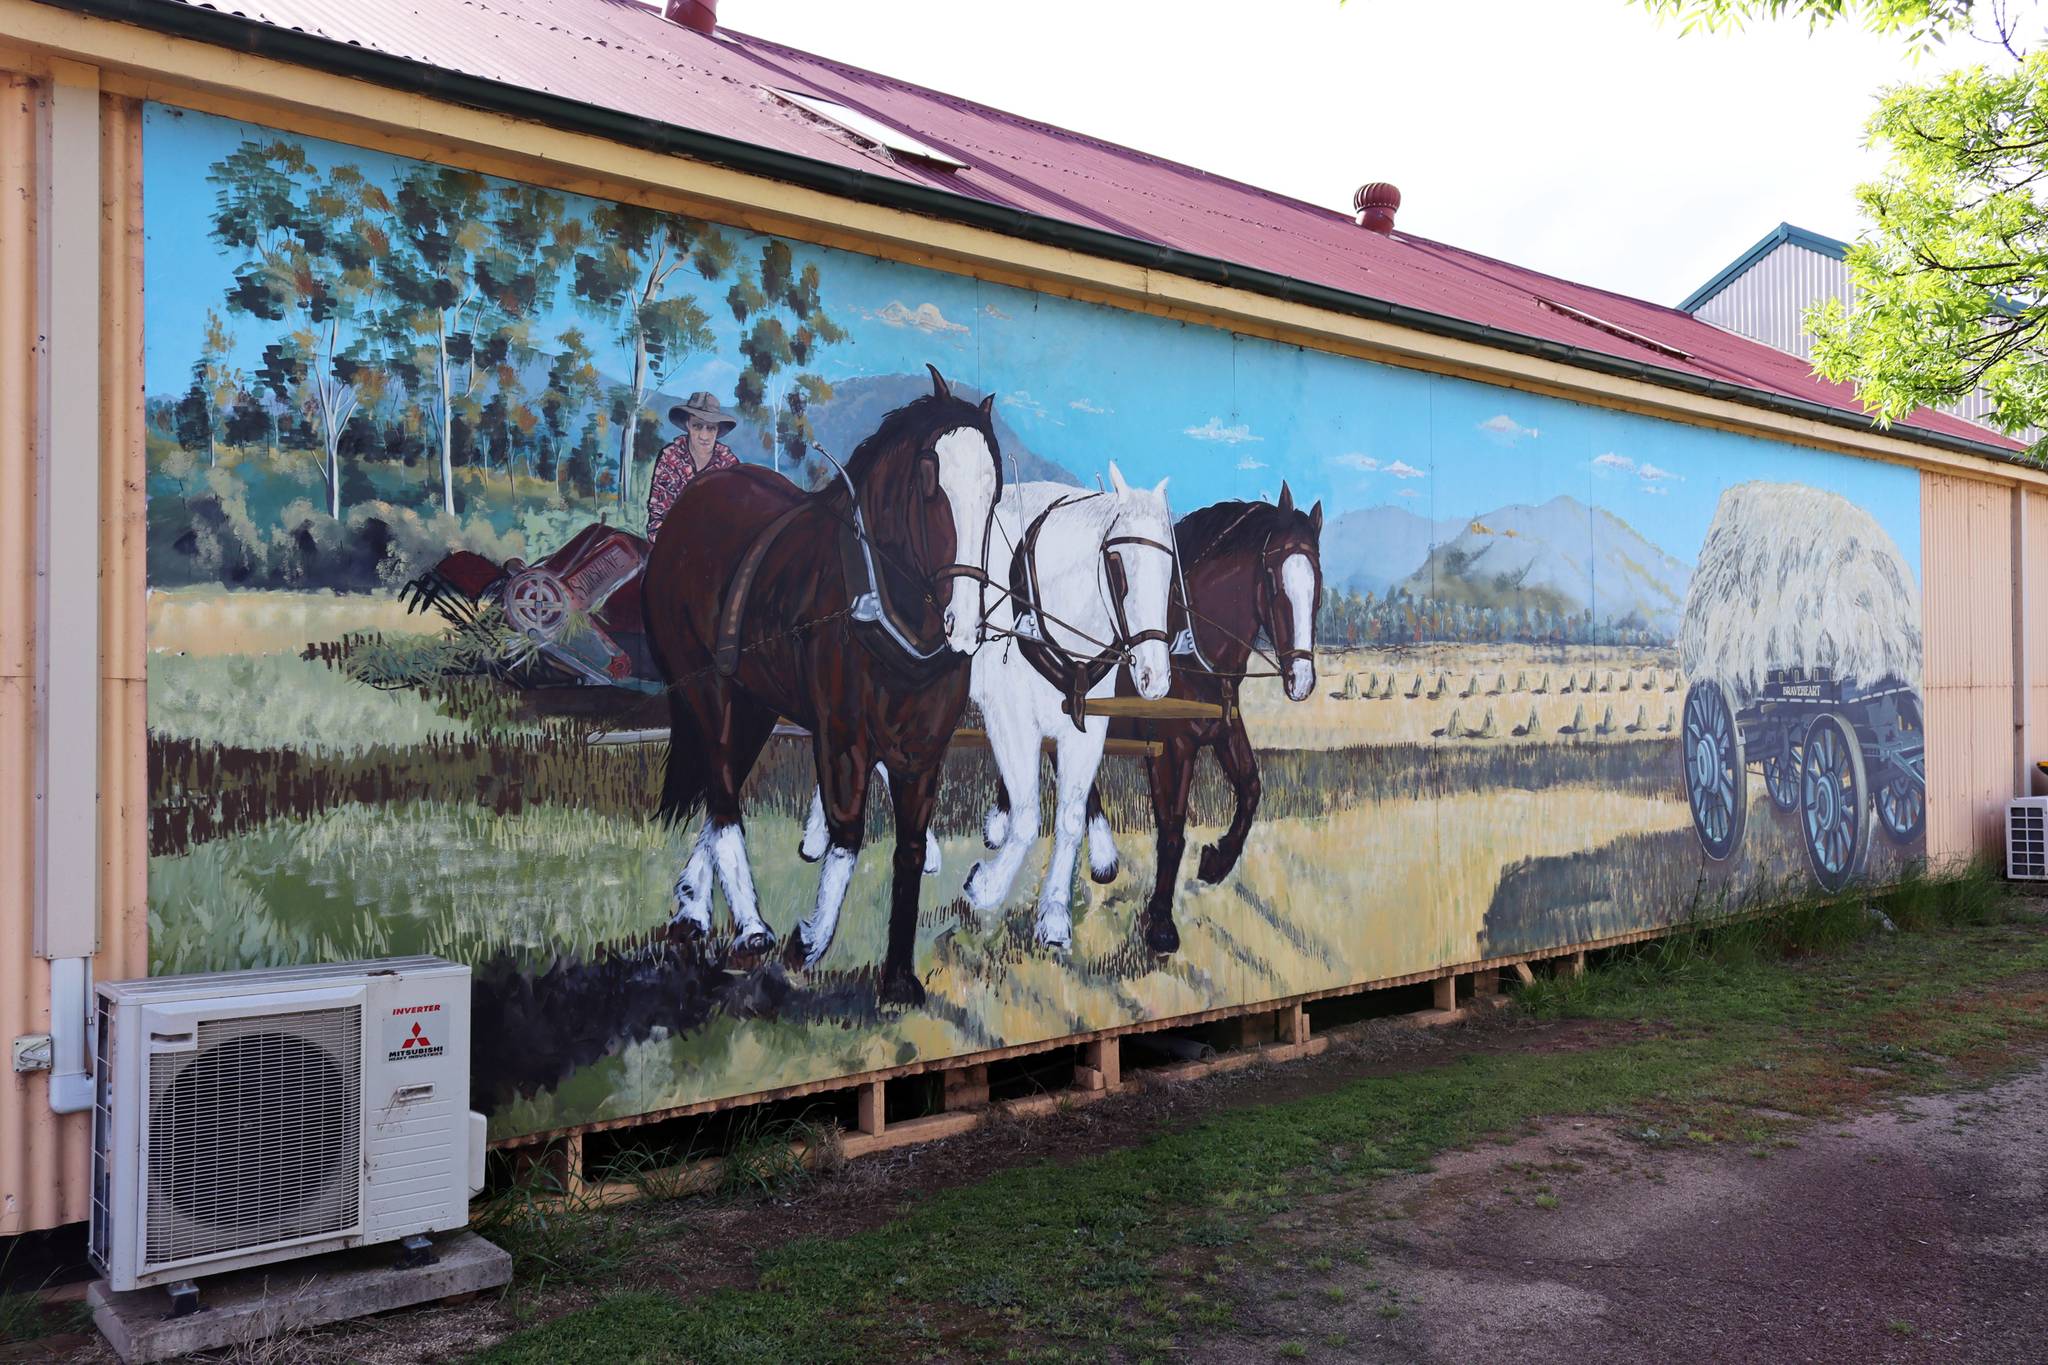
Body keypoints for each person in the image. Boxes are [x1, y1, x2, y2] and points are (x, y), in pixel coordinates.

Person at [645, 392, 739, 538]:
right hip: (672, 542)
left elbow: (735, 517)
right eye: (697, 426)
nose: (704, 436)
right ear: (688, 424)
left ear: (718, 430)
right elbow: (657, 517)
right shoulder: (670, 457)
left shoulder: (729, 464)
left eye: (711, 428)